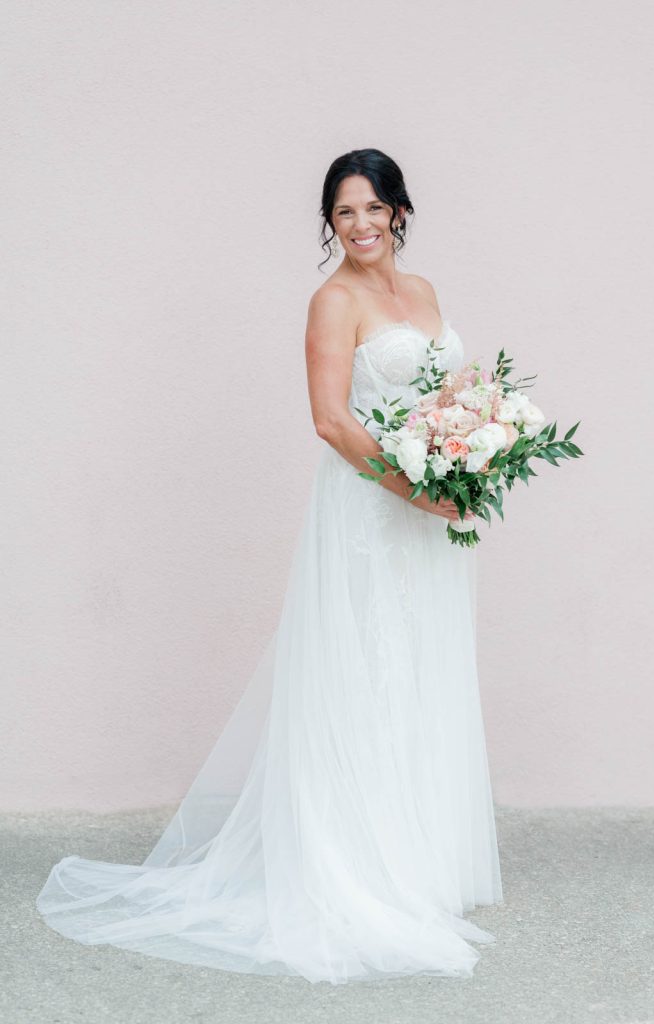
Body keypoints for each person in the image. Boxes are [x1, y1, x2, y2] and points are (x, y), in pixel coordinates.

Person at [35, 148, 504, 985]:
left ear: (399, 210)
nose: (358, 225)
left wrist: (470, 451)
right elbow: (330, 420)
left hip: (428, 516)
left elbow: (446, 395)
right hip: (370, 510)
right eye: (341, 212)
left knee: (420, 669)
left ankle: (418, 862)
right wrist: (415, 490)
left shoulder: (424, 293)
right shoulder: (333, 300)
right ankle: (358, 867)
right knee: (365, 671)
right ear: (330, 224)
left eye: (371, 208)